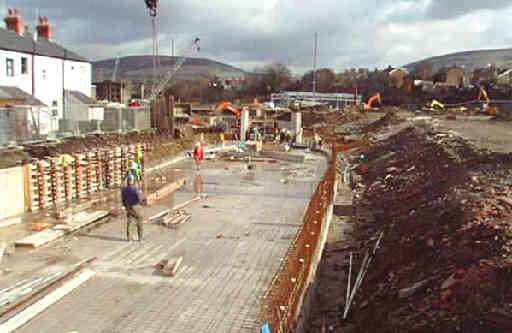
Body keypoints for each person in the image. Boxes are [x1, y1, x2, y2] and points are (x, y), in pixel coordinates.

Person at [121, 174, 146, 241]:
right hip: (135, 206)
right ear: (132, 181)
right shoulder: (135, 189)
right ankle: (140, 237)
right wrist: (143, 200)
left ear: (128, 181)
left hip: (128, 207)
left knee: (129, 222)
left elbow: (123, 199)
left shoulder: (124, 189)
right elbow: (139, 198)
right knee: (139, 220)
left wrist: (125, 206)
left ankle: (129, 237)